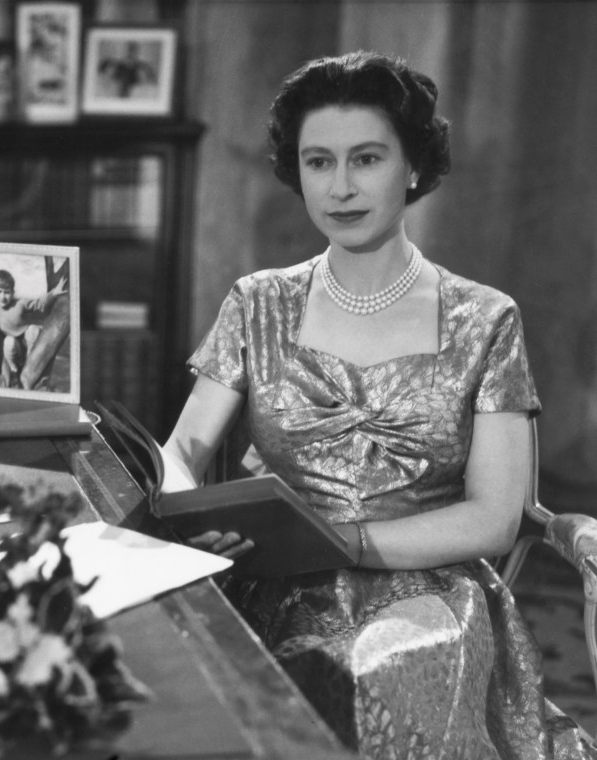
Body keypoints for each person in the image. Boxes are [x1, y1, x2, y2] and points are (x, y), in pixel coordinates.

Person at [161, 51, 596, 758]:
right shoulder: (257, 304)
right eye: (318, 162)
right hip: (276, 583)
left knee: (381, 663)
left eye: (365, 158)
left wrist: (352, 544)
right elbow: (181, 454)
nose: (339, 187)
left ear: (414, 167)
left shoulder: (483, 320)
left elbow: (494, 517)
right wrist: (192, 521)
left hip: (431, 594)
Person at [0, 269, 67, 389]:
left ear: (13, 292)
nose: (2, 296)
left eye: (7, 292)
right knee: (8, 341)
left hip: (27, 341)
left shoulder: (20, 303)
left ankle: (30, 362)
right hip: (13, 345)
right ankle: (14, 371)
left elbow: (39, 303)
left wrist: (54, 293)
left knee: (33, 329)